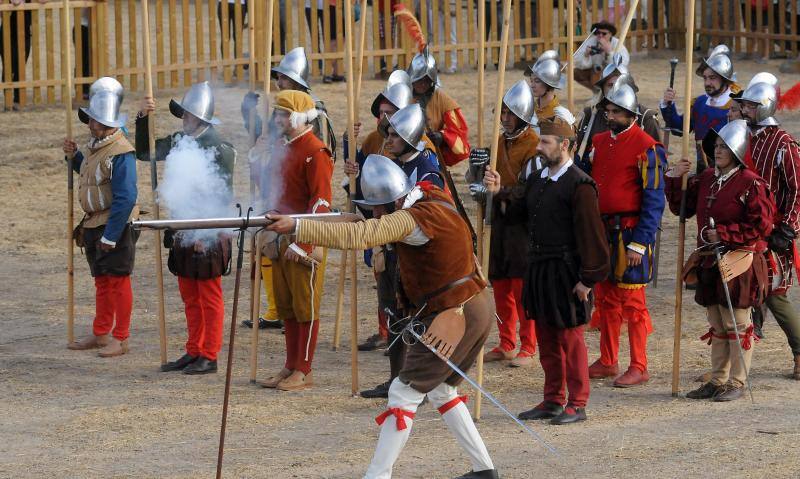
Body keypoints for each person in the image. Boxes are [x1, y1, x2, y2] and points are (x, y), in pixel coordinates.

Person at [267, 154, 498, 479]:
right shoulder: (428, 194)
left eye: (377, 207)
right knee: (441, 391)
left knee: (402, 391)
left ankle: (377, 476)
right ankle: (484, 470)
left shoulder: (414, 219)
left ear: (393, 201)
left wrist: (298, 227)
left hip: (456, 315)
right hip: (473, 306)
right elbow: (360, 224)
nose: (374, 213)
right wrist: (304, 220)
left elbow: (361, 236)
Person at [484, 112, 610, 424]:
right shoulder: (538, 180)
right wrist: (498, 192)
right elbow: (518, 212)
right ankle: (553, 399)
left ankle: (577, 403)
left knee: (571, 340)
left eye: (545, 142)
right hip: (539, 270)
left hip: (567, 273)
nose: (539, 147)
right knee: (547, 340)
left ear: (564, 145)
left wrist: (587, 280)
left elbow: (593, 237)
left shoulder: (580, 185)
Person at [666, 120, 774, 401]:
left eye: (724, 146)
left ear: (737, 150)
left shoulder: (751, 183)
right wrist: (675, 178)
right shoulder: (707, 178)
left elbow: (762, 225)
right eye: (716, 146)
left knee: (737, 321)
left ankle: (737, 382)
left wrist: (724, 234)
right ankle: (718, 380)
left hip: (738, 260)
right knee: (716, 321)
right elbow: (681, 209)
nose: (718, 150)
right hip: (708, 260)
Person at [135, 82, 235, 375]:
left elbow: (221, 196)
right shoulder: (180, 140)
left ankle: (209, 354)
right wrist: (143, 119)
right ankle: (194, 350)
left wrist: (206, 233)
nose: (183, 119)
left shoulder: (220, 149)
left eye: (188, 114)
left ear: (201, 117)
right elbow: (145, 153)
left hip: (208, 230)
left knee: (208, 297)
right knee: (190, 295)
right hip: (181, 228)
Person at [241, 46, 335, 331]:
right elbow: (271, 139)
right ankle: (275, 310)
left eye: (283, 78)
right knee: (268, 252)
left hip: (304, 213)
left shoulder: (313, 114)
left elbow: (317, 170)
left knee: (304, 303)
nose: (279, 82)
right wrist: (250, 117)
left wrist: (307, 237)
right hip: (280, 200)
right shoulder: (282, 111)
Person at [588, 80, 667, 387]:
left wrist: (641, 242)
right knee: (605, 298)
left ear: (631, 114)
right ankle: (608, 360)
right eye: (607, 111)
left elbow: (654, 200)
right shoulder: (597, 142)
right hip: (602, 231)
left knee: (633, 303)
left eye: (615, 112)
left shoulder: (647, 147)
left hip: (631, 234)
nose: (609, 116)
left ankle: (639, 365)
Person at [258, 90, 334, 392]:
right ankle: (290, 365)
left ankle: (304, 369)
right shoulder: (280, 147)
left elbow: (321, 202)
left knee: (305, 307)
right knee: (287, 306)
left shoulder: (316, 151)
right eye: (277, 113)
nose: (277, 119)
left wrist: (304, 243)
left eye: (283, 114)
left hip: (304, 237)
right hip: (279, 234)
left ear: (300, 117)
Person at [64, 77, 139, 358]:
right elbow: (92, 176)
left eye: (94, 119)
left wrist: (111, 234)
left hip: (114, 224)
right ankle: (101, 332)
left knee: (118, 280)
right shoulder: (97, 145)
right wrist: (75, 157)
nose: (90, 124)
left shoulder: (121, 151)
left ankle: (121, 338)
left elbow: (126, 197)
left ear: (106, 121)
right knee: (102, 281)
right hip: (94, 222)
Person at [468, 80, 541, 367]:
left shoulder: (534, 146)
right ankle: (507, 342)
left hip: (522, 225)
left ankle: (528, 345)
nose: (506, 117)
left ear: (522, 115)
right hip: (497, 222)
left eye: (511, 113)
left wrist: (501, 191)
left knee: (522, 289)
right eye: (504, 112)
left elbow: (532, 190)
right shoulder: (497, 142)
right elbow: (483, 184)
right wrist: (477, 176)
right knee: (500, 286)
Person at [736, 78, 800, 381]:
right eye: (744, 105)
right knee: (738, 294)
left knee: (774, 294)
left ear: (764, 107)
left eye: (751, 105)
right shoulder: (742, 136)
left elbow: (797, 190)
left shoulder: (783, 144)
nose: (745, 110)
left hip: (773, 232)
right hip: (742, 228)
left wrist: (788, 227)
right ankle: (732, 362)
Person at [661, 45, 740, 174]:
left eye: (712, 78)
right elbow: (679, 128)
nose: (707, 83)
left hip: (730, 174)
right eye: (705, 78)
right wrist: (667, 104)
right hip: (703, 173)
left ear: (724, 79)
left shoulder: (737, 106)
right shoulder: (700, 103)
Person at [575, 62, 660, 171]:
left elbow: (656, 164)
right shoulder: (590, 114)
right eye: (610, 85)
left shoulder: (646, 118)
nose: (615, 88)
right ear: (603, 88)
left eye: (620, 83)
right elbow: (580, 156)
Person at [407, 49, 470, 167]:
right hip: (404, 154)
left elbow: (459, 133)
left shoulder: (442, 99)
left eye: (427, 80)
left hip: (431, 156)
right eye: (419, 79)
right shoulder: (402, 95)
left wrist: (442, 136)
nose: (423, 84)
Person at [573, 21, 631, 90]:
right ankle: (596, 91)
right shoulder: (590, 42)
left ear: (610, 34)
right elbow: (577, 61)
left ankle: (611, 92)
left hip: (612, 74)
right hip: (595, 72)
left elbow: (623, 64)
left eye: (604, 33)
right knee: (576, 73)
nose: (600, 35)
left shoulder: (617, 44)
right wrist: (586, 55)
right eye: (598, 33)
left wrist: (609, 52)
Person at [304, 0, 343, 83]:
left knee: (329, 39)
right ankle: (319, 67)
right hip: (310, 6)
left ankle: (329, 70)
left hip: (329, 6)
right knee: (315, 39)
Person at [525, 50, 564, 121]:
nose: (532, 85)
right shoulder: (530, 108)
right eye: (531, 81)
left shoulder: (558, 115)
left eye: (537, 81)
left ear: (549, 84)